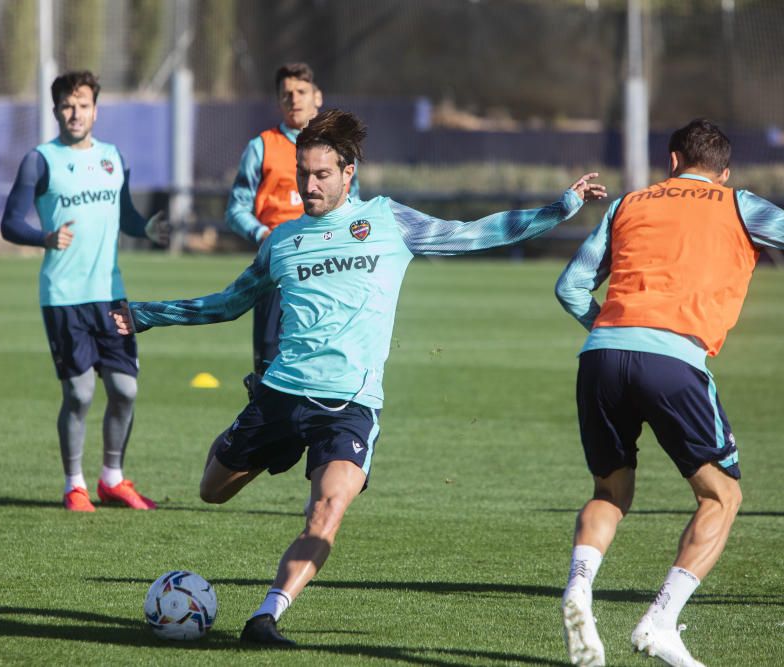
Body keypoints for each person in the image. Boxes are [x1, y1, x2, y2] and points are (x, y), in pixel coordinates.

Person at [113, 109, 606, 646]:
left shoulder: (389, 222)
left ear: (349, 173)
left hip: (349, 403)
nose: (309, 185)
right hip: (280, 394)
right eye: (303, 173)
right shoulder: (283, 240)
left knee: (327, 509)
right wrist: (147, 314)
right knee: (211, 490)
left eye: (321, 174)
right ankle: (269, 440)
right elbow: (229, 303)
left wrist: (562, 208)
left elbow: (473, 233)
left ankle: (266, 616)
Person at [555, 118, 784, 667]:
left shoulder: (630, 202)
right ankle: (659, 621)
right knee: (721, 496)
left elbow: (570, 286)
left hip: (602, 354)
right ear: (724, 172)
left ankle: (579, 589)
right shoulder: (739, 203)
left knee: (610, 491)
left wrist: (614, 330)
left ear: (673, 161)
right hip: (675, 357)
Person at [0, 70, 169, 512]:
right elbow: (10, 223)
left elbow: (127, 215)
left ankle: (112, 478)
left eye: (83, 105)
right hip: (63, 296)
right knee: (79, 394)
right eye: (67, 106)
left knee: (125, 389)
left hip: (111, 296)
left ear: (96, 109)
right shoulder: (40, 161)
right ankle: (74, 484)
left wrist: (150, 228)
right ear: (56, 110)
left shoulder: (114, 158)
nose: (75, 113)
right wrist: (44, 237)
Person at [225, 62, 359, 392]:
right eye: (286, 94)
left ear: (317, 97)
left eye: (301, 92)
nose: (294, 99)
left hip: (327, 269)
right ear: (278, 102)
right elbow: (236, 208)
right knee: (269, 373)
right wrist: (264, 235)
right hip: (277, 271)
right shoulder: (262, 147)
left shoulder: (336, 152)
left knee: (325, 365)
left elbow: (353, 207)